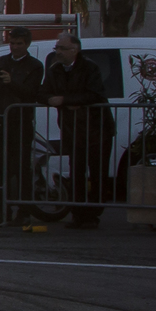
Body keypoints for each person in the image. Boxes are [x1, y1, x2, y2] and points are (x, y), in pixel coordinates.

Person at [44, 32, 115, 228]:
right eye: (56, 48)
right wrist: (59, 101)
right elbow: (45, 93)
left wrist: (65, 100)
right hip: (72, 129)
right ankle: (78, 213)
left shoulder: (89, 67)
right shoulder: (55, 69)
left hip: (97, 130)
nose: (58, 52)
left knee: (97, 173)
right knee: (76, 173)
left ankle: (92, 215)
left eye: (62, 48)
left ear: (75, 50)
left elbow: (94, 94)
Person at [0, 24, 47, 224]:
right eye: (12, 43)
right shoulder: (2, 61)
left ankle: (24, 210)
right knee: (0, 166)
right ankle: (2, 210)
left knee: (21, 167)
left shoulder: (35, 66)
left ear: (27, 44)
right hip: (0, 119)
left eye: (19, 44)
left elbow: (30, 93)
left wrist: (11, 82)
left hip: (20, 121)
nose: (14, 47)